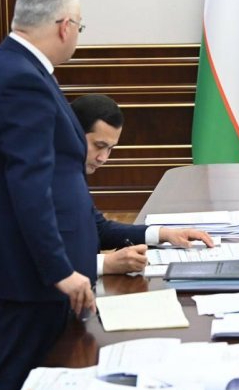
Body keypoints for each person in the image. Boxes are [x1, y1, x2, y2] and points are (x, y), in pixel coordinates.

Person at [0, 0, 98, 390]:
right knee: (7, 379)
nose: (77, 35)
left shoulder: (9, 67)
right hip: (24, 280)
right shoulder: (20, 78)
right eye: (79, 27)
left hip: (24, 275)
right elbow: (29, 185)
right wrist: (59, 269)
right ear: (65, 26)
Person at [70, 94, 213, 275]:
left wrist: (164, 234)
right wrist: (105, 263)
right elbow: (39, 259)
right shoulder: (46, 178)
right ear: (71, 133)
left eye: (110, 149)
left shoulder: (72, 172)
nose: (103, 158)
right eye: (99, 145)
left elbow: (97, 229)